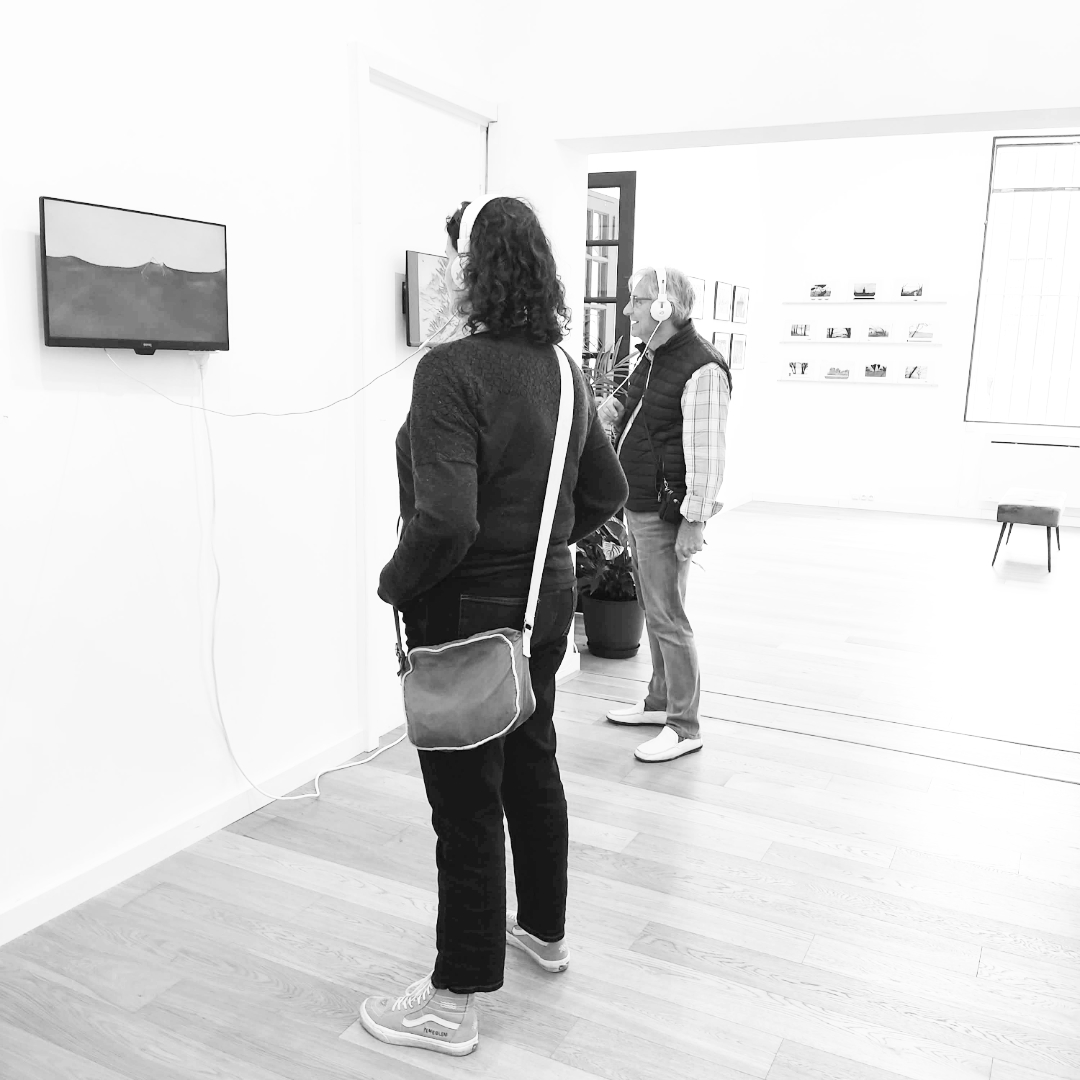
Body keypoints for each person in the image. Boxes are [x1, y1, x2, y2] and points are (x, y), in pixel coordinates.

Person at [360, 195, 628, 1056]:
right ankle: (542, 931)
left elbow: (445, 520)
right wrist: (543, 550)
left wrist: (393, 584)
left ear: (476, 269)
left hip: (468, 617)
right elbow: (609, 491)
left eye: (456, 258)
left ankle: (452, 1003)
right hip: (546, 607)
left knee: (466, 805)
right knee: (531, 762)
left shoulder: (451, 371)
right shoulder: (563, 369)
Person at [599, 267, 731, 763]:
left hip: (667, 512)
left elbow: (707, 455)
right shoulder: (654, 357)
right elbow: (630, 405)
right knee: (655, 610)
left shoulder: (702, 367)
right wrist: (600, 410)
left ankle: (684, 724)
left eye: (636, 301)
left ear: (663, 308)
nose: (628, 310)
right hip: (640, 503)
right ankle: (659, 702)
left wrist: (694, 522)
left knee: (669, 617)